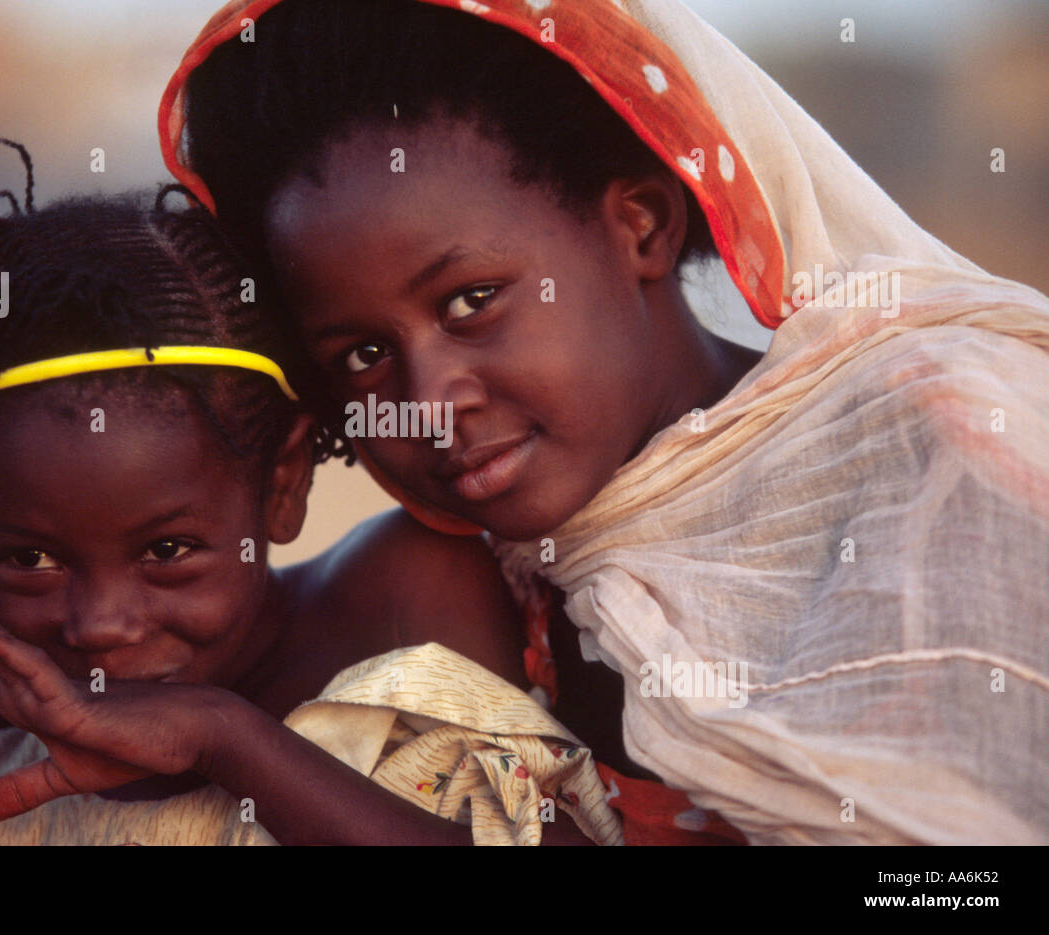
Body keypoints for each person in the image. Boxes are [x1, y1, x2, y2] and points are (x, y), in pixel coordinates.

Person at [156, 0, 1049, 843]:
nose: (429, 402)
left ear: (642, 226)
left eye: (472, 300)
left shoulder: (941, 447)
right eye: (360, 355)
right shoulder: (490, 574)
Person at [0, 151, 622, 845]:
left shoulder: (401, 607)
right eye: (30, 558)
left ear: (283, 485)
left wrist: (228, 739)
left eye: (167, 550)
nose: (98, 625)